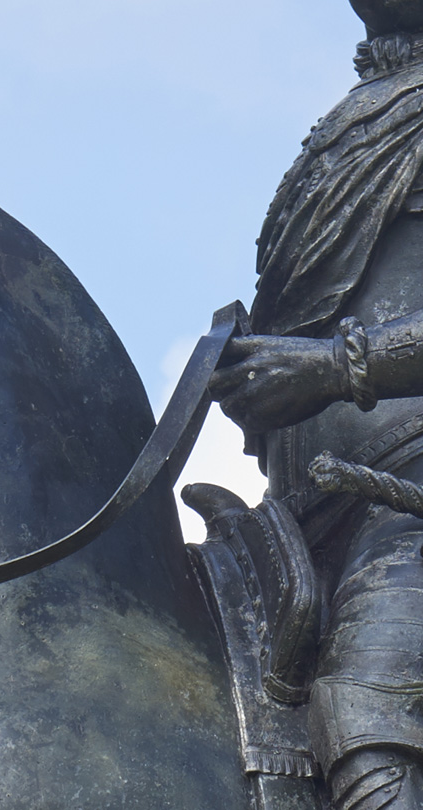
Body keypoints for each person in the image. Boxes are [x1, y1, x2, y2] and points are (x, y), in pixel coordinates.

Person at [210, 3, 423, 807]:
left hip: (410, 505)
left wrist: (336, 368)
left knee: (369, 706)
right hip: (300, 518)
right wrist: (256, 381)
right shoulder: (355, 120)